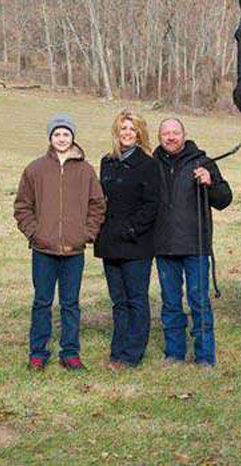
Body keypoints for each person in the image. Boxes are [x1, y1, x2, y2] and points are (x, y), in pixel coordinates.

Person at [13, 113, 105, 371]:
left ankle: (70, 352)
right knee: (42, 301)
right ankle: (38, 353)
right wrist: (35, 232)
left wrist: (87, 233)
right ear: (50, 138)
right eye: (57, 134)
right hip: (43, 249)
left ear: (73, 137)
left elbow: (97, 204)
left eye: (66, 134)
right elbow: (22, 206)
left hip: (74, 250)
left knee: (70, 303)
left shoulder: (86, 170)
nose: (62, 138)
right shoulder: (35, 169)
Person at [153, 118, 232, 367]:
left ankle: (205, 356)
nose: (171, 137)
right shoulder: (152, 164)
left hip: (195, 246)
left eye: (175, 132)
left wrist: (211, 182)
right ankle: (174, 353)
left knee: (199, 301)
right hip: (164, 246)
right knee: (170, 303)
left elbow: (224, 199)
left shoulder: (202, 161)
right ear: (159, 137)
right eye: (166, 133)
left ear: (184, 135)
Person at [94, 112, 160, 371]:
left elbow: (152, 204)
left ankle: (132, 354)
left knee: (136, 299)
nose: (128, 132)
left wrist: (132, 229)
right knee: (118, 300)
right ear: (117, 131)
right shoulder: (107, 162)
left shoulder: (148, 165)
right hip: (110, 243)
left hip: (136, 244)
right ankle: (117, 350)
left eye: (133, 128)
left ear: (140, 133)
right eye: (123, 128)